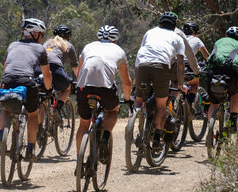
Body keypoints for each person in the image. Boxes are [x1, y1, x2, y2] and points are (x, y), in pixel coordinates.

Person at [0, 18, 52, 161]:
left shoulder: (12, 45)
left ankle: (2, 135)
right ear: (36, 34)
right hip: (26, 81)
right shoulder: (40, 49)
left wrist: (5, 83)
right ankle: (30, 149)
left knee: (6, 110)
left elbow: (5, 67)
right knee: (32, 115)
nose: (42, 38)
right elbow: (47, 74)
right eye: (42, 35)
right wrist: (48, 89)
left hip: (7, 79)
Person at [76, 25, 132, 163]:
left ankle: (79, 160)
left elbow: (80, 71)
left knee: (84, 124)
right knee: (112, 111)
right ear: (115, 40)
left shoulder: (88, 47)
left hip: (84, 87)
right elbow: (126, 82)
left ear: (98, 38)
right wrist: (127, 99)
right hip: (105, 88)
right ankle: (105, 137)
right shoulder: (119, 51)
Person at [134, 12, 185, 152]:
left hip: (142, 65)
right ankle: (156, 138)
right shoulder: (177, 37)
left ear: (159, 23)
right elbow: (180, 63)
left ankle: (134, 123)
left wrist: (135, 78)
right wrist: (180, 84)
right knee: (161, 105)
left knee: (138, 100)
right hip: (161, 67)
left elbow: (142, 51)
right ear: (174, 26)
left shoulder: (149, 32)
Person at [204, 26, 238, 133]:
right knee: (235, 94)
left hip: (213, 72)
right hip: (230, 73)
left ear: (226, 35)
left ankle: (209, 131)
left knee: (214, 102)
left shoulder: (219, 41)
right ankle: (233, 122)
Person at [42, 24, 79, 119]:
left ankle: (39, 128)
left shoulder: (47, 43)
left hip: (40, 69)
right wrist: (81, 81)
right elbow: (75, 67)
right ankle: (57, 108)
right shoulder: (68, 45)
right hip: (56, 69)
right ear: (68, 36)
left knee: (44, 95)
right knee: (67, 88)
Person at [182, 22, 210, 106]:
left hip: (175, 65)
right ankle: (189, 104)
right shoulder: (197, 40)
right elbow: (207, 56)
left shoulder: (178, 38)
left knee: (175, 83)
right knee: (194, 84)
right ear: (194, 32)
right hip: (189, 64)